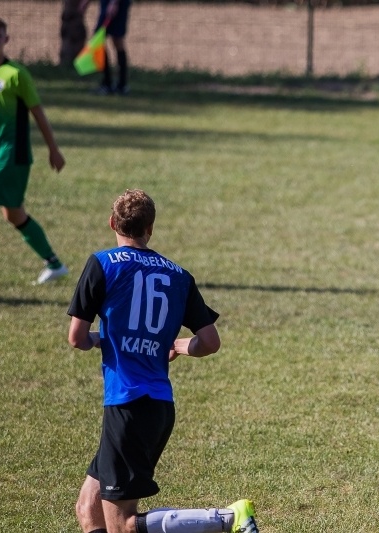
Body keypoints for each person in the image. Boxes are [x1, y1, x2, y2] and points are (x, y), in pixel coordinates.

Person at [67, 189, 258, 533]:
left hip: (127, 406)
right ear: (150, 228)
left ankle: (229, 518)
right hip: (157, 407)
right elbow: (210, 342)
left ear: (111, 223)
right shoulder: (179, 276)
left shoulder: (103, 264)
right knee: (87, 508)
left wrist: (105, 338)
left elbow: (77, 338)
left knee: (123, 524)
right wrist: (179, 346)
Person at [0, 16, 68, 284]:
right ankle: (54, 264)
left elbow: (38, 113)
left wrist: (53, 149)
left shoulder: (16, 75)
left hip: (11, 156)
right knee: (13, 214)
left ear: (7, 39)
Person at [80, 0, 132, 94]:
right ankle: (110, 84)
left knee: (114, 40)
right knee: (105, 40)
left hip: (117, 3)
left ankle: (119, 85)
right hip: (107, 3)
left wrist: (114, 3)